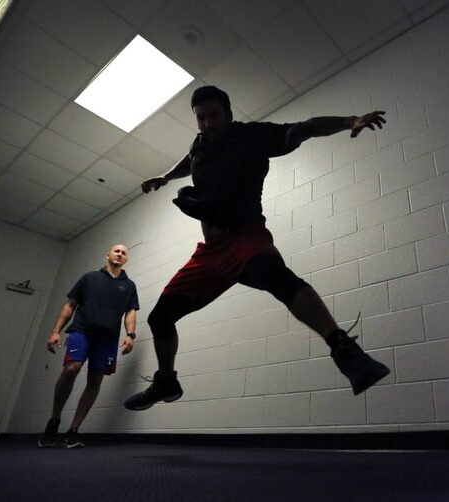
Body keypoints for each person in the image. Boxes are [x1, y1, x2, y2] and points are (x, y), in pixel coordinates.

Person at [124, 85, 389, 411]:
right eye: (201, 118)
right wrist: (166, 177)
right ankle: (166, 381)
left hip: (246, 235)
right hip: (211, 251)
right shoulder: (200, 143)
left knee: (272, 274)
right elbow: (191, 158)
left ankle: (344, 350)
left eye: (214, 116)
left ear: (230, 114)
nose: (207, 124)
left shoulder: (252, 137)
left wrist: (351, 121)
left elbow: (305, 128)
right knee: (160, 318)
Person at [38, 244, 139, 448]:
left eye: (124, 253)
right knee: (72, 368)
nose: (120, 254)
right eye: (116, 251)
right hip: (81, 331)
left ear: (126, 260)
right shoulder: (89, 278)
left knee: (95, 380)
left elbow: (131, 312)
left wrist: (130, 335)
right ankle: (54, 419)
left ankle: (74, 430)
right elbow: (70, 305)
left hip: (108, 338)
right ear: (107, 255)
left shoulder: (129, 285)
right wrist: (55, 331)